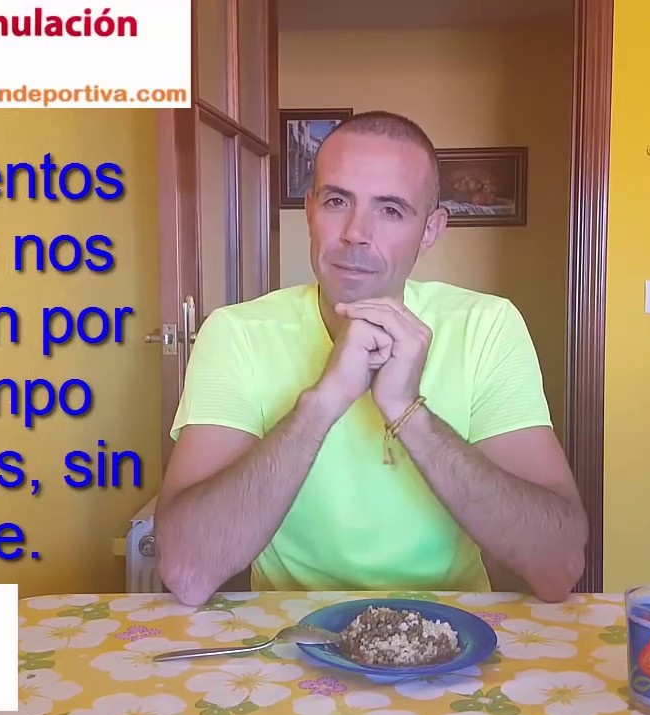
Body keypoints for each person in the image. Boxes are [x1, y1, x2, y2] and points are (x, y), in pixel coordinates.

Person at [154, 110, 588, 606]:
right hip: (293, 633)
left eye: (391, 210)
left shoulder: (487, 325)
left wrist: (409, 412)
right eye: (337, 201)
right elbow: (187, 571)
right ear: (310, 211)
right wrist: (322, 402)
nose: (356, 233)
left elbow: (558, 567)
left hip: (451, 628)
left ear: (430, 230)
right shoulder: (236, 333)